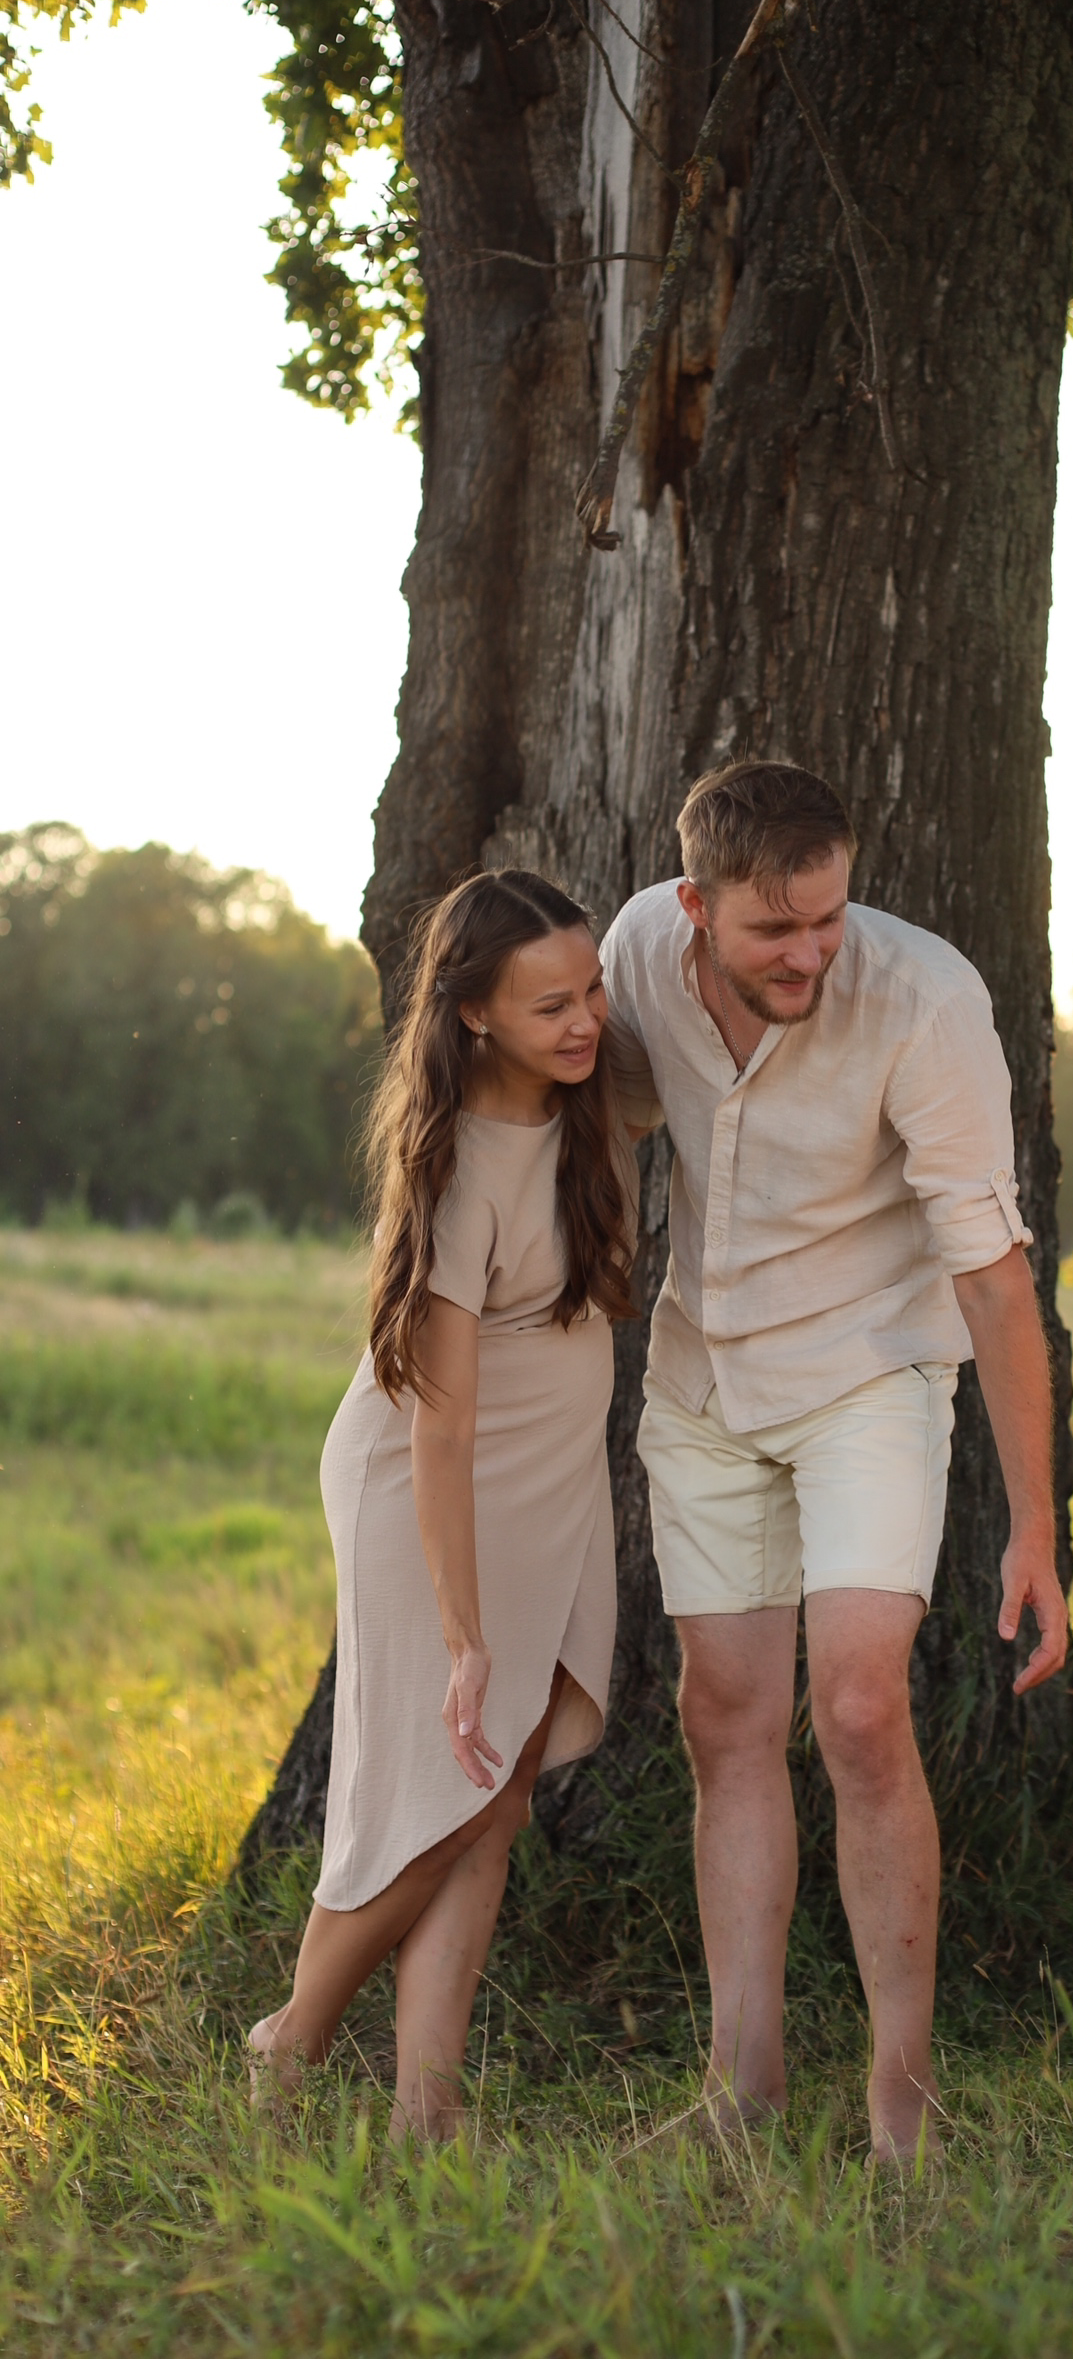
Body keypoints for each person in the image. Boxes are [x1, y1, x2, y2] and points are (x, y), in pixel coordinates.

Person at [599, 760, 1067, 2162]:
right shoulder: (632, 949)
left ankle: (902, 2099)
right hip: (700, 1376)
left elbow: (992, 1280)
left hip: (868, 1371)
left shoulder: (921, 999)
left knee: (860, 1711)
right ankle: (739, 2095)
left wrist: (1033, 1530)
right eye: (771, 931)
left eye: (826, 919)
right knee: (722, 1720)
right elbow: (601, 1122)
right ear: (695, 909)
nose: (808, 951)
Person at [249, 870, 644, 2140]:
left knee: (499, 1788)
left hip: (549, 1483)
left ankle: (428, 2099)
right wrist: (464, 1631)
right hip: (434, 1487)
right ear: (472, 1013)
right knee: (440, 1782)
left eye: (590, 990)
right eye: (549, 1006)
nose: (585, 1021)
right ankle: (289, 2040)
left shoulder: (584, 1104)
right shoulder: (452, 1170)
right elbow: (442, 1424)